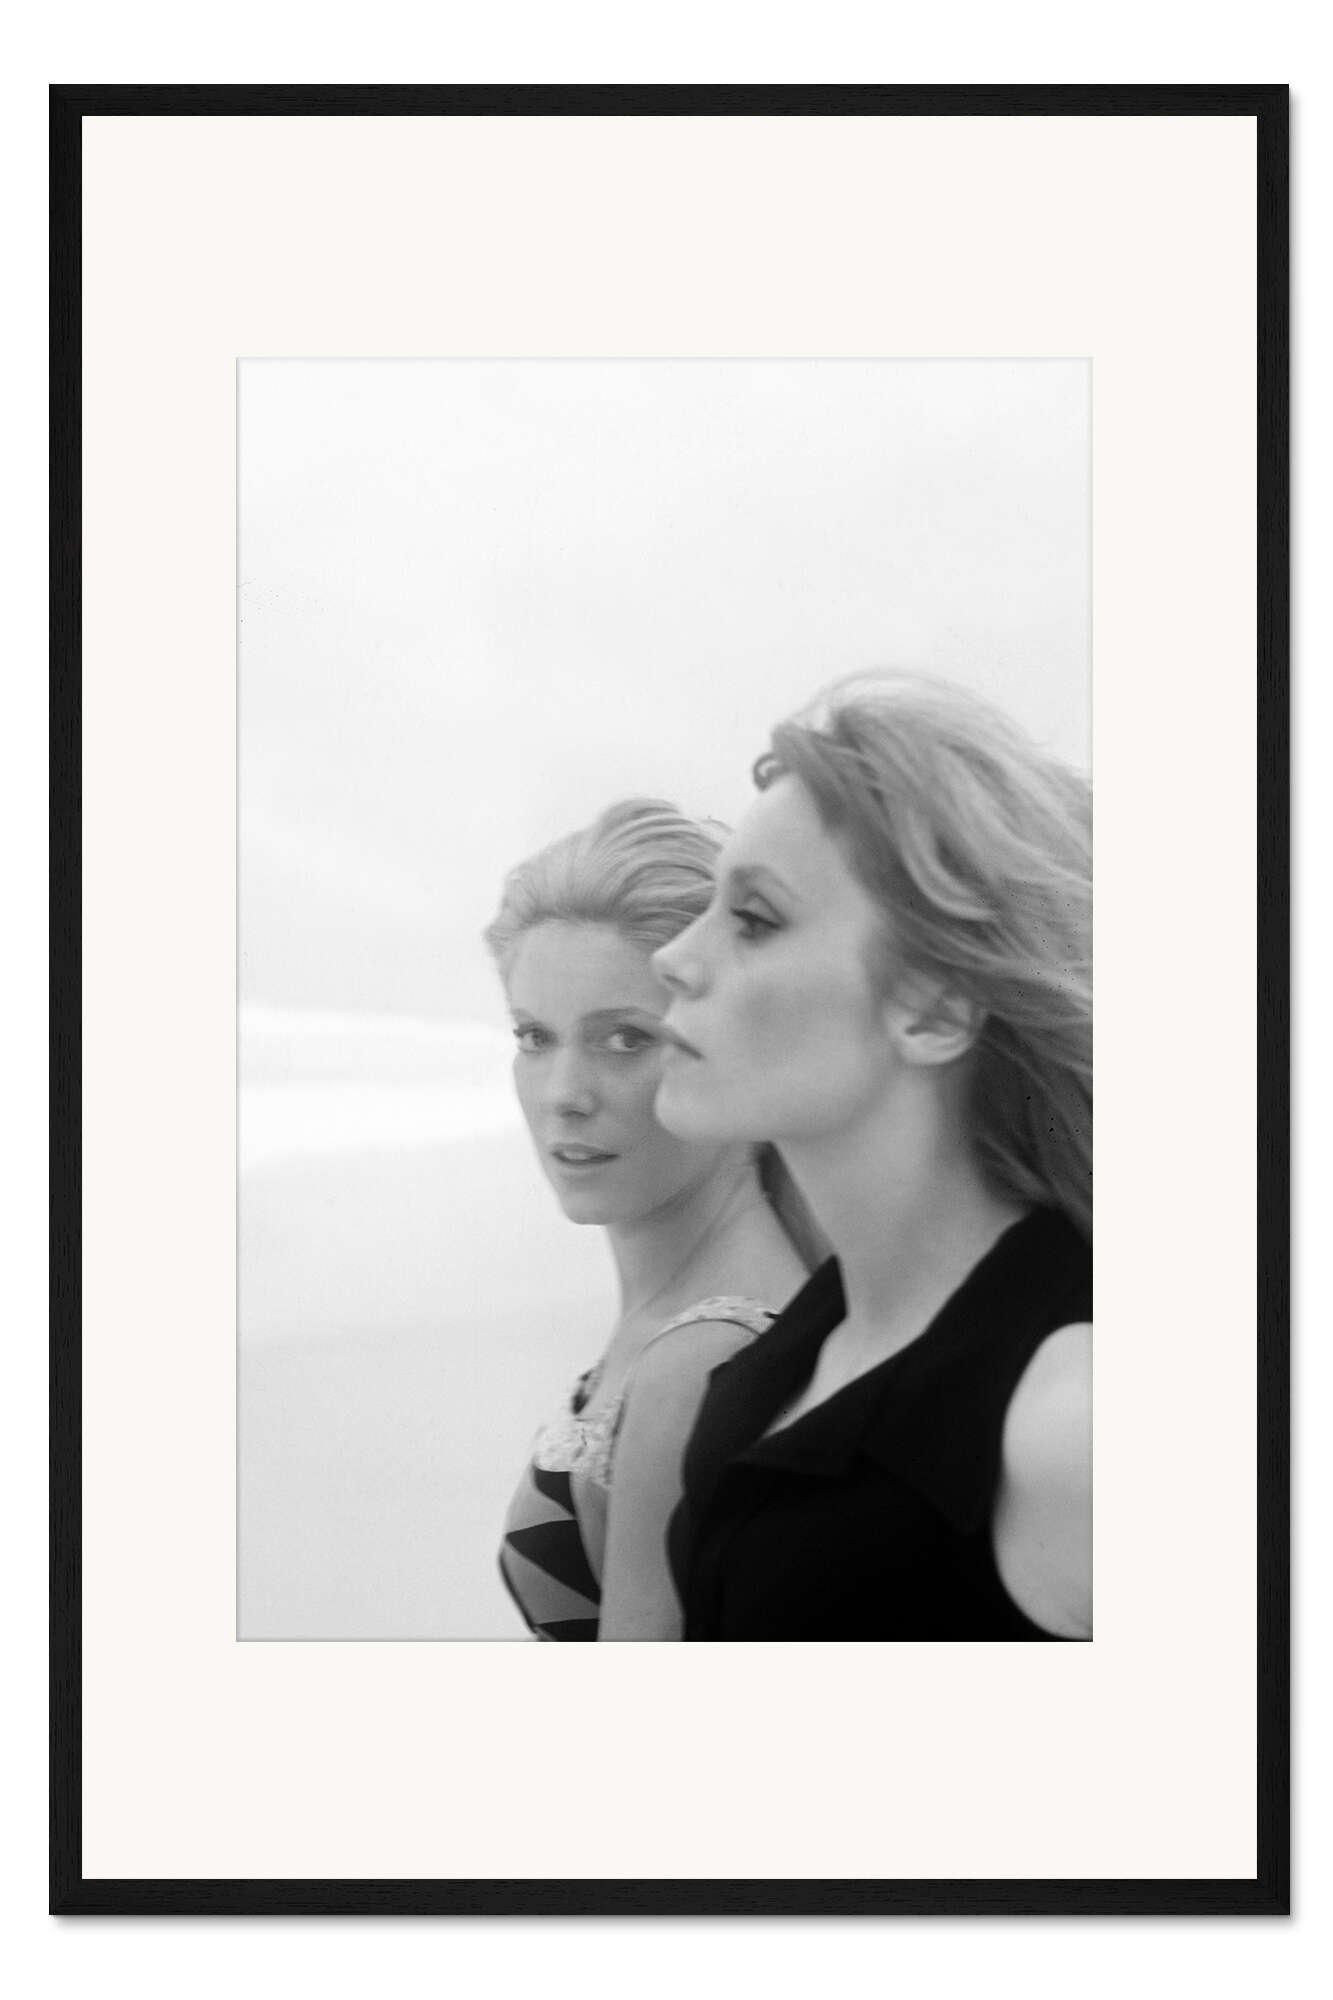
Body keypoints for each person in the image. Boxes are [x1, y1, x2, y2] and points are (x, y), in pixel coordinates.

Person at [652, 673, 1093, 1640]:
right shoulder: (801, 1349)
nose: (674, 958)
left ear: (933, 1010)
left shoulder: (1068, 1417)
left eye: (753, 919)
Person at [485, 799, 813, 1640]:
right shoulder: (698, 1317)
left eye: (625, 1040)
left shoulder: (700, 1359)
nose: (564, 1095)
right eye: (534, 1037)